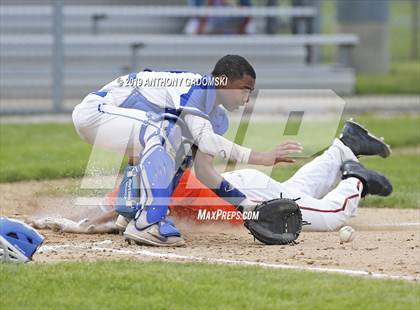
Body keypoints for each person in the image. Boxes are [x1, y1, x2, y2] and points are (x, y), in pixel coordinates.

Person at [72, 55, 302, 247]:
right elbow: (208, 141)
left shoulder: (216, 118)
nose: (247, 98)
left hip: (127, 123)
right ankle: (147, 223)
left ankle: (132, 214)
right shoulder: (196, 87)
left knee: (181, 157)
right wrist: (262, 157)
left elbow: (204, 171)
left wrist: (245, 207)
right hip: (96, 114)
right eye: (244, 89)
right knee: (160, 130)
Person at [37, 120, 392, 235]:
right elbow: (110, 209)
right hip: (246, 183)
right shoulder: (156, 175)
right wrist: (71, 222)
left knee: (332, 217)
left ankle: (354, 178)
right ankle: (345, 146)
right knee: (295, 189)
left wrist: (77, 226)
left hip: (252, 200)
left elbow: (114, 214)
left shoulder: (157, 183)